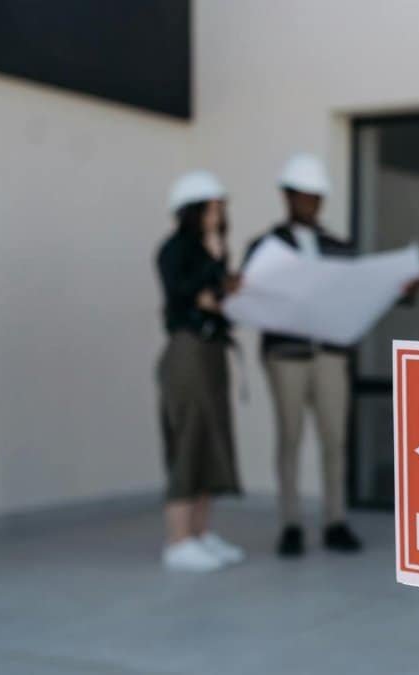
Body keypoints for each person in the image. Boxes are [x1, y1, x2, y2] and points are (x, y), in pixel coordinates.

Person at [245, 153, 364, 558]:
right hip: (287, 355)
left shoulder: (339, 247)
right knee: (290, 439)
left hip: (330, 354)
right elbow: (250, 295)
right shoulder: (265, 247)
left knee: (335, 439)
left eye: (316, 197)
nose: (310, 204)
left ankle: (336, 520)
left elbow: (358, 295)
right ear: (287, 197)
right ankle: (291, 523)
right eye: (303, 196)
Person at [155, 170, 247, 573]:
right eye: (209, 208)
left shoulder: (214, 250)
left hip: (212, 351)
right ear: (190, 211)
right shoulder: (174, 249)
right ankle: (178, 541)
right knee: (189, 439)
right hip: (187, 351)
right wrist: (215, 277)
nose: (216, 216)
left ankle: (200, 534)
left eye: (219, 209)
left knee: (212, 438)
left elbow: (218, 297)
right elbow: (187, 293)